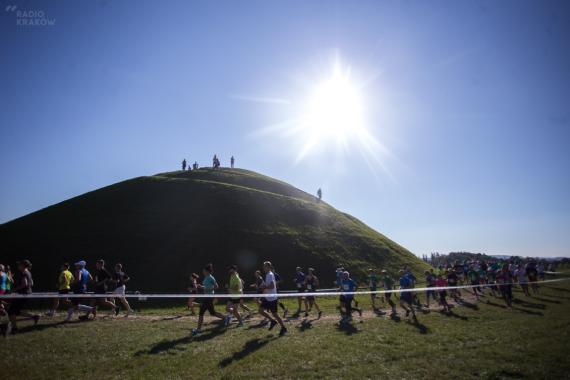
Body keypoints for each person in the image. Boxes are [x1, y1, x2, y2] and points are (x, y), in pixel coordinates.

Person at [192, 264, 230, 335]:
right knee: (212, 312)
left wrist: (205, 288)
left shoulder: (210, 277)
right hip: (207, 297)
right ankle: (226, 317)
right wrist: (201, 286)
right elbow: (206, 287)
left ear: (207, 271)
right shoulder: (206, 277)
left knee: (201, 313)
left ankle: (198, 329)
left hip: (209, 297)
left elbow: (216, 286)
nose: (203, 271)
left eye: (204, 270)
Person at [5, 260, 40, 335]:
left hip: (22, 294)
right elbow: (32, 283)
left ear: (23, 266)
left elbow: (25, 284)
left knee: (11, 311)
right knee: (16, 311)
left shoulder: (24, 273)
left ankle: (15, 328)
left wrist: (13, 290)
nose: (18, 266)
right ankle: (34, 316)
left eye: (19, 265)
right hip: (26, 294)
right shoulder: (28, 272)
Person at [258, 261, 287, 336]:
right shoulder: (267, 275)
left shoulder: (270, 274)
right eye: (263, 266)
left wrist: (264, 287)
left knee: (275, 314)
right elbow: (268, 285)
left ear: (268, 267)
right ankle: (272, 321)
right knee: (260, 310)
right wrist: (263, 287)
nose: (263, 268)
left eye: (264, 266)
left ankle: (283, 328)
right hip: (268, 298)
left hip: (272, 298)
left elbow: (272, 286)